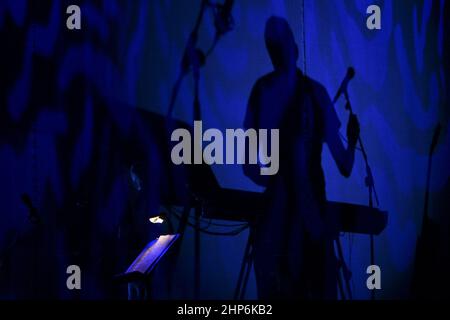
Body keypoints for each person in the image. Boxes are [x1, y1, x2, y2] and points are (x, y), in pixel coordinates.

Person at [243, 16, 360, 299]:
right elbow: (345, 165)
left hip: (274, 231)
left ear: (271, 53)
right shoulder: (317, 94)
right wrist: (353, 139)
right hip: (313, 224)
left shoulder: (261, 91)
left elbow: (248, 167)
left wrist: (276, 185)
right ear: (294, 49)